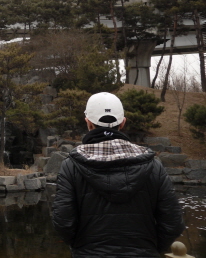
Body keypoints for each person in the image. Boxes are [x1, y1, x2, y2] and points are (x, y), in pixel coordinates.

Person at [52, 92, 185, 257]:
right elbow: (173, 223)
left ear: (88, 123)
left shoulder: (71, 166)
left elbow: (63, 223)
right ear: (122, 123)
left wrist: (81, 249)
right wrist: (151, 249)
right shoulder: (153, 165)